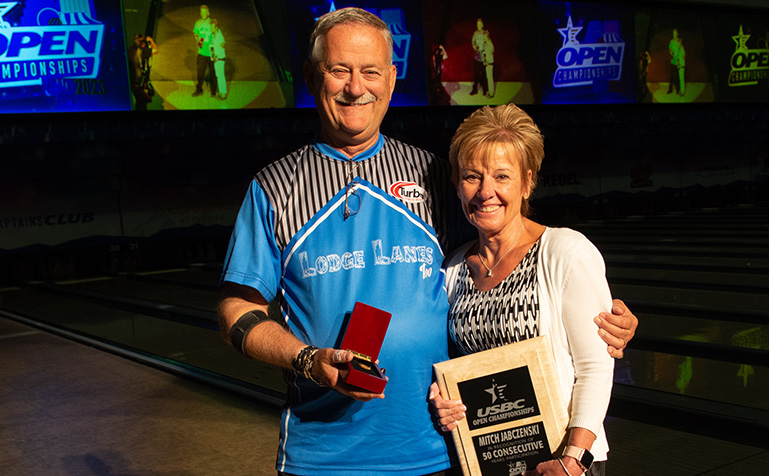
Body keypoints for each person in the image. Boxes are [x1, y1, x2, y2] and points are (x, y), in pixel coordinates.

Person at [217, 8, 637, 475]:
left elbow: (504, 255)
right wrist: (309, 360)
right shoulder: (274, 187)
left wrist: (602, 315)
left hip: (437, 452)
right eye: (339, 71)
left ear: (392, 79)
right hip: (321, 458)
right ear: (314, 77)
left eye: (370, 71)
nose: (356, 87)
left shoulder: (432, 175)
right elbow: (237, 310)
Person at [429, 104, 614, 476]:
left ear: (527, 182)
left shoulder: (565, 252)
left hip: (563, 463)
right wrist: (441, 397)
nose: (486, 192)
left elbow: (595, 367)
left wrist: (574, 459)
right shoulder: (451, 269)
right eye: (471, 177)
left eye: (502, 176)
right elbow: (451, 366)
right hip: (488, 465)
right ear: (457, 184)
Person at [192, 5, 215, 97]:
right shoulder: (198, 23)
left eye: (204, 12)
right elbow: (195, 34)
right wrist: (199, 42)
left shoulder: (212, 23)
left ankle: (213, 90)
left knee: (213, 72)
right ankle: (199, 89)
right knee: (200, 73)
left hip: (212, 52)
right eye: (201, 12)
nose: (203, 14)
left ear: (208, 13)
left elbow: (216, 34)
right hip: (202, 52)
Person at [209, 19, 227, 100]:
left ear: (216, 27)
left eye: (212, 27)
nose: (211, 28)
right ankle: (221, 92)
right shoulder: (214, 35)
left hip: (219, 59)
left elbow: (223, 43)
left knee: (221, 76)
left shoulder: (219, 36)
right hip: (216, 59)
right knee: (219, 76)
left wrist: (223, 43)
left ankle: (223, 93)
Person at [470, 18, 488, 96]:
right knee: (476, 75)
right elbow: (473, 42)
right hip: (477, 57)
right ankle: (475, 89)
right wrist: (474, 47)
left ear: (482, 25)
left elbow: (488, 43)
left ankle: (485, 89)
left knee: (484, 75)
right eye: (477, 24)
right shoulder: (475, 33)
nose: (478, 26)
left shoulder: (485, 33)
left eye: (480, 24)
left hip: (484, 57)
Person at [667, 28, 682, 95]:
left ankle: (678, 90)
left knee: (678, 77)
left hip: (678, 61)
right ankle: (670, 89)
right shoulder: (671, 41)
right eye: (673, 33)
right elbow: (670, 49)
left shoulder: (679, 40)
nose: (674, 34)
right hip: (673, 61)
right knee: (671, 76)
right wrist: (671, 52)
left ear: (677, 33)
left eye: (675, 33)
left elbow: (680, 49)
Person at [482, 30, 495, 98]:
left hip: (489, 63)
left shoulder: (490, 45)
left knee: (490, 78)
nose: (484, 38)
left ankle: (491, 93)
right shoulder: (486, 44)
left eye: (485, 37)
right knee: (488, 78)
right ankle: (489, 91)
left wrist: (487, 61)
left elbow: (491, 54)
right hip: (487, 63)